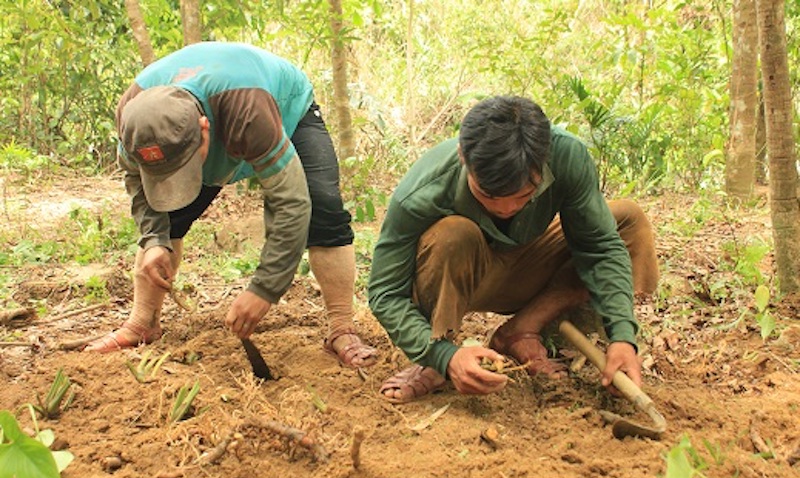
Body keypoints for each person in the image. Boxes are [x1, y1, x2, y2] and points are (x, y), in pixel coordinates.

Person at [85, 42, 376, 368]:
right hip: (216, 116)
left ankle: (342, 327)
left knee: (324, 208)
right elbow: (139, 185)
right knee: (169, 218)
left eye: (184, 168)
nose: (177, 181)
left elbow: (292, 203)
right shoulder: (134, 120)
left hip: (282, 108)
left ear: (204, 131)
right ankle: (143, 322)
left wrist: (264, 290)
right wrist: (154, 240)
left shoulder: (249, 113)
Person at [368, 95, 659, 402]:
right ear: (463, 157)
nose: (506, 208)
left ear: (544, 161)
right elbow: (385, 293)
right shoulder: (421, 191)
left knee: (627, 222)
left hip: (529, 265)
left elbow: (600, 248)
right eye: (487, 194)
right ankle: (436, 359)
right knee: (453, 235)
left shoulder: (566, 155)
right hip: (462, 276)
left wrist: (623, 337)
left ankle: (523, 329)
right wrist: (443, 355)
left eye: (524, 195)